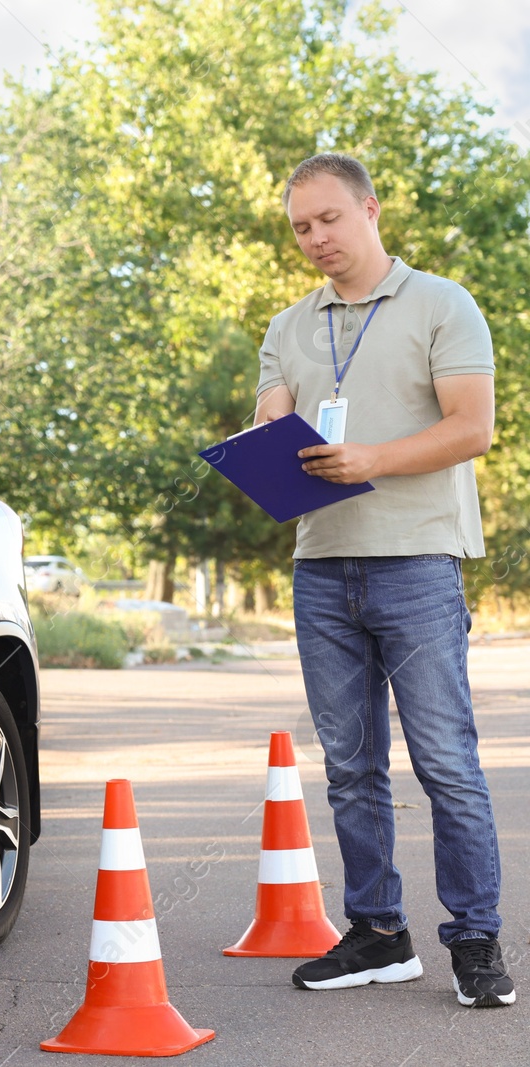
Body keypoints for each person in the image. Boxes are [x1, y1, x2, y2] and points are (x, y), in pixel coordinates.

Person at [253, 152, 510, 1007]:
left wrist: (373, 459)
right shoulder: (288, 325)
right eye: (299, 227)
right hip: (321, 566)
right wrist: (264, 442)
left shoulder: (443, 304)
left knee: (446, 763)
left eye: (328, 219)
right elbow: (272, 425)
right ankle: (378, 933)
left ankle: (474, 939)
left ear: (369, 209)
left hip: (418, 561)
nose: (315, 238)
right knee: (351, 766)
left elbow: (472, 428)